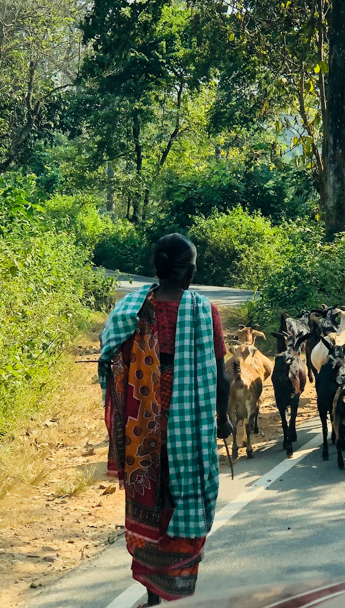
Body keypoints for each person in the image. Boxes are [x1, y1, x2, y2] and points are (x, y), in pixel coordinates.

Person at [97, 233, 232, 605]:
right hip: (191, 425)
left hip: (144, 430)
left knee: (150, 502)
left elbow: (110, 364)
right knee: (186, 498)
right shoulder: (205, 312)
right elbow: (220, 374)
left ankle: (151, 588)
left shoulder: (131, 310)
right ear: (188, 272)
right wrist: (222, 419)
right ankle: (177, 577)